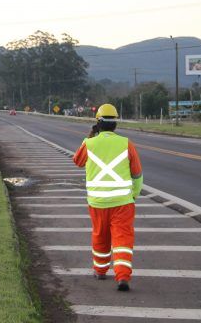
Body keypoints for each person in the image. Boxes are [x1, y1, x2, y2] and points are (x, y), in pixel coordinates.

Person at [72, 103, 143, 291]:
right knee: (123, 239)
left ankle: (100, 270)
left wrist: (89, 137)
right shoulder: (126, 143)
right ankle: (122, 276)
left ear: (98, 123)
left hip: (97, 203)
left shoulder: (89, 144)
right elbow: (137, 174)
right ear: (116, 124)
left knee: (100, 236)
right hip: (123, 203)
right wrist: (133, 195)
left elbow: (77, 161)